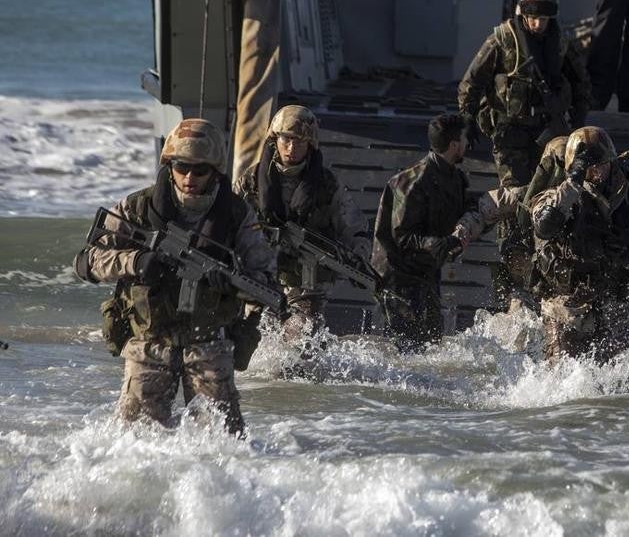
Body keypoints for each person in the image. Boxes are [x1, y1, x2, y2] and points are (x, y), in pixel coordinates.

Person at [74, 119, 275, 437]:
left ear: (216, 170)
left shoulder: (237, 215)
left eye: (200, 170)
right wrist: (135, 261)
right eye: (182, 167)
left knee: (225, 445)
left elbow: (264, 278)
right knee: (134, 446)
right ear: (169, 165)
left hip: (208, 345)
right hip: (150, 345)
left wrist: (236, 285)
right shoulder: (137, 208)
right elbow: (86, 263)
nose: (190, 177)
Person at [529, 126, 629, 360]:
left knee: (616, 379)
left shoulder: (627, 198)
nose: (597, 172)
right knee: (562, 373)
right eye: (590, 167)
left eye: (601, 165)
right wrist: (574, 181)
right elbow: (545, 224)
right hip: (566, 304)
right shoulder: (557, 196)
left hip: (611, 301)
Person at [235, 105, 371, 342]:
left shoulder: (327, 184)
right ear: (275, 138)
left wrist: (358, 260)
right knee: (255, 340)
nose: (291, 148)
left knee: (302, 341)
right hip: (262, 276)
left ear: (310, 144)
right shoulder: (252, 179)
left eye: (299, 141)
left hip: (308, 282)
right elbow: (229, 219)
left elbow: (353, 226)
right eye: (286, 139)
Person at [458, 0, 591, 189]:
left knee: (549, 190)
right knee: (514, 192)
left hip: (547, 129)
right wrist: (467, 116)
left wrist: (579, 115)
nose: (538, 24)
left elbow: (580, 81)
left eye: (544, 19)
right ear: (524, 14)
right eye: (533, 18)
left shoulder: (560, 43)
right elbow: (473, 79)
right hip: (510, 129)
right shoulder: (503, 39)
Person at [371, 113, 477, 352]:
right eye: (464, 139)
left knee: (431, 344)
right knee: (406, 349)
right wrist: (443, 243)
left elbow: (464, 207)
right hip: (398, 278)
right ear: (454, 145)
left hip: (426, 273)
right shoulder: (413, 182)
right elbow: (403, 237)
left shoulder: (455, 178)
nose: (468, 144)